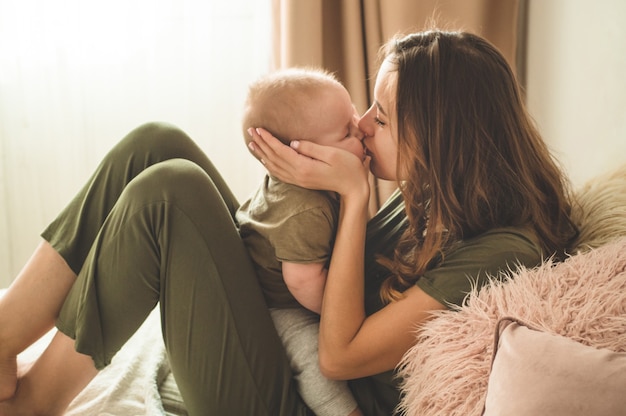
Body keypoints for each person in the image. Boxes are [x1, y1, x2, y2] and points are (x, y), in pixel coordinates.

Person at [0, 29, 578, 416]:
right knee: (156, 145)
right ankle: (3, 337)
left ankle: (31, 406)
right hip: (274, 339)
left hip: (295, 398)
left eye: (384, 115)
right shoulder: (433, 195)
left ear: (442, 135)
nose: (364, 122)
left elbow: (341, 357)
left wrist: (353, 199)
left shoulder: (502, 248)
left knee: (169, 195)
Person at [237, 67, 365, 416]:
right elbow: (303, 280)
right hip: (277, 304)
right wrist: (342, 315)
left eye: (354, 116)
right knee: (312, 354)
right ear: (303, 156)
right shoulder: (305, 209)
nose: (362, 129)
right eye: (346, 132)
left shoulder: (315, 190)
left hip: (285, 288)